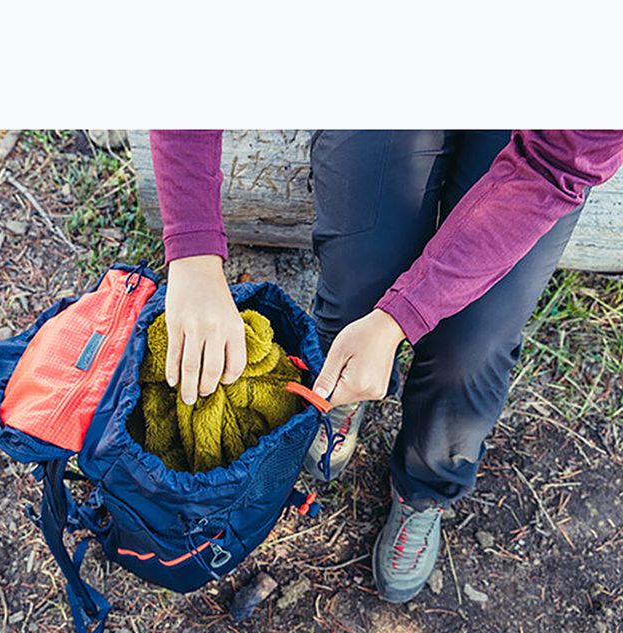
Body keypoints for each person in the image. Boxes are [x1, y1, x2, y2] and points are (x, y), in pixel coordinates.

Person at [149, 129, 623, 603]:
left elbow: (552, 164)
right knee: (359, 276)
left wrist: (402, 316)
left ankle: (424, 490)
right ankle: (342, 391)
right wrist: (193, 253)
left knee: (474, 346)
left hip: (542, 143)